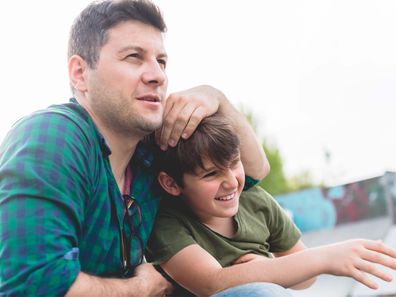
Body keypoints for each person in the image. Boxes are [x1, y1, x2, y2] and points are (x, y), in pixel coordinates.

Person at [0, 1, 269, 296]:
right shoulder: (52, 137)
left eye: (161, 61)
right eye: (133, 57)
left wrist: (218, 98)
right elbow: (32, 284)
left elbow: (253, 174)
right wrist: (139, 288)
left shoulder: (151, 149)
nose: (158, 75)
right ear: (79, 73)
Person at [147, 113, 396, 297]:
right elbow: (213, 282)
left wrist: (269, 267)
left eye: (234, 164)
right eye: (211, 174)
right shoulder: (167, 223)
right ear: (171, 183)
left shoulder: (255, 201)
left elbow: (306, 280)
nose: (231, 182)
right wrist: (326, 257)